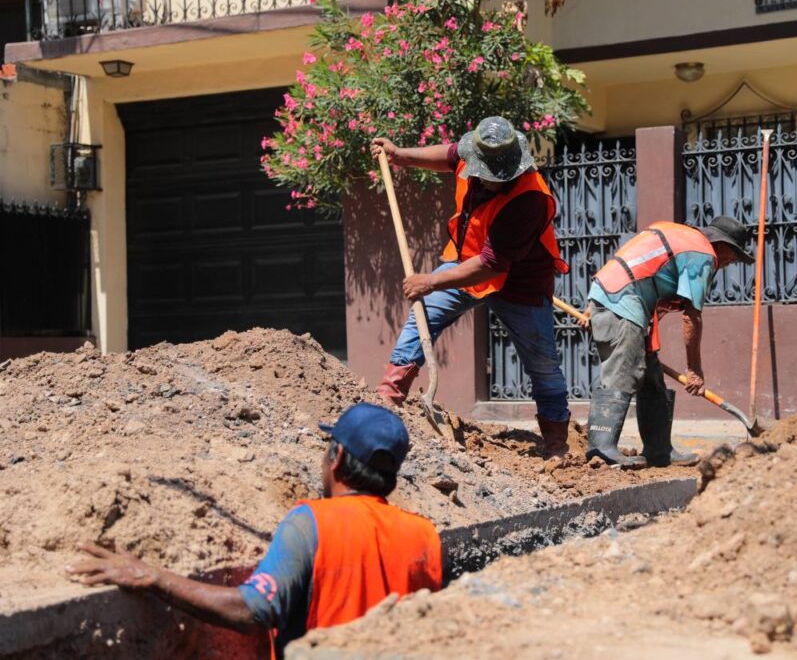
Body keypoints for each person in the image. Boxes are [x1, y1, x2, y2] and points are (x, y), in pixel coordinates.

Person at [66, 403, 442, 658]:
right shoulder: (425, 535)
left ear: (337, 457)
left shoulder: (310, 523)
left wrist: (151, 577)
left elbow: (253, 609)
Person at [370, 116, 572, 460]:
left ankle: (556, 445)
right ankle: (387, 399)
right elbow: (447, 155)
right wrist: (400, 155)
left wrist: (430, 280)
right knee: (424, 314)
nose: (488, 181)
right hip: (467, 262)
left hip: (519, 283)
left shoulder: (531, 199)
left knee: (542, 363)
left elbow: (491, 265)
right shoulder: (472, 152)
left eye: (497, 178)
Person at [582, 216, 754, 468]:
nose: (731, 263)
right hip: (622, 303)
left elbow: (626, 259)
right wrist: (694, 370)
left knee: (651, 377)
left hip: (621, 298)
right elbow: (691, 317)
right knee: (623, 369)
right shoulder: (701, 253)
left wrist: (593, 302)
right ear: (721, 244)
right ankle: (602, 447)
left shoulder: (681, 236)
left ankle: (659, 450)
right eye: (734, 255)